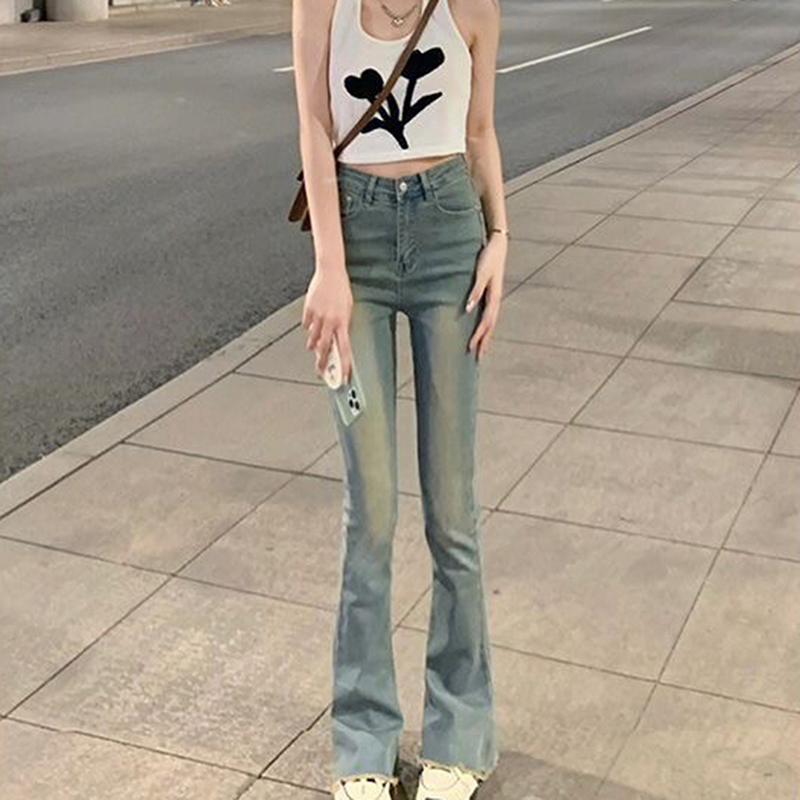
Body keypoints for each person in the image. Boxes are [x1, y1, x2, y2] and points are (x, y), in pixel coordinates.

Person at [292, 0, 508, 797]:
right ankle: (364, 743)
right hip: (355, 238)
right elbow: (315, 123)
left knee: (452, 510)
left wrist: (500, 237)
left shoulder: (473, 8)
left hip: (450, 235)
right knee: (371, 510)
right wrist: (329, 266)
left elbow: (479, 131)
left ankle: (460, 734)